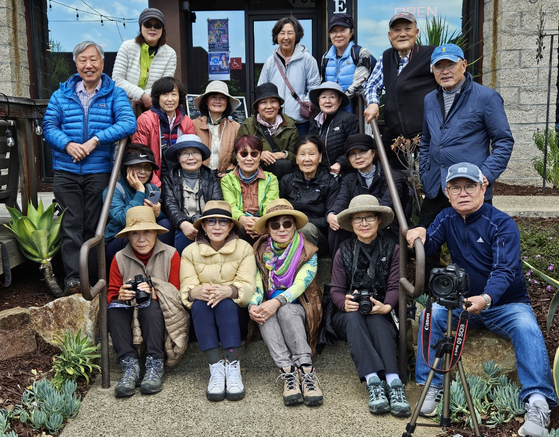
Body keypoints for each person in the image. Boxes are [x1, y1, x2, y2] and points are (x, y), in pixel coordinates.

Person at [406, 163, 557, 436]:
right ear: (447, 192)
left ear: (483, 188)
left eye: (470, 186)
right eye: (456, 187)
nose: (463, 193)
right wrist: (419, 233)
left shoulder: (502, 224)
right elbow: (428, 245)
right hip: (463, 303)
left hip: (506, 304)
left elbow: (504, 270)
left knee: (526, 327)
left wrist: (486, 299)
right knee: (432, 314)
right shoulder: (446, 217)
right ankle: (432, 387)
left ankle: (537, 404)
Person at [43, 41, 136, 296]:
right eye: (83, 60)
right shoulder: (61, 94)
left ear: (102, 63)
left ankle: (94, 278)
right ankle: (74, 280)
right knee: (70, 224)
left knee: (95, 224)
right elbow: (49, 127)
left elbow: (129, 123)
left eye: (93, 60)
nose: (89, 65)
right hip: (66, 170)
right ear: (76, 64)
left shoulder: (114, 93)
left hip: (98, 170)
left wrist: (95, 140)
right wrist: (69, 144)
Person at [330, 195, 410, 417]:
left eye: (369, 218)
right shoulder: (343, 250)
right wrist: (343, 302)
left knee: (375, 319)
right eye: (358, 219)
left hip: (380, 310)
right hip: (348, 314)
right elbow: (336, 290)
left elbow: (396, 286)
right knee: (355, 318)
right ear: (351, 224)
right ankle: (373, 381)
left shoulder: (392, 249)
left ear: (378, 220)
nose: (364, 223)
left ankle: (394, 384)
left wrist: (386, 305)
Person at [418, 43, 514, 228]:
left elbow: (503, 141)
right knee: (426, 245)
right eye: (439, 66)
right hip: (436, 188)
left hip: (470, 188)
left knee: (476, 248)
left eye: (450, 65)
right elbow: (426, 139)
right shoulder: (429, 99)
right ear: (432, 70)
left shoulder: (487, 97)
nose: (444, 71)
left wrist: (486, 174)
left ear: (463, 65)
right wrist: (424, 172)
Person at [248, 199, 323, 407]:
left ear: (294, 226)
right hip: (271, 304)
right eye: (275, 224)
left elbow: (301, 284)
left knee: (286, 311)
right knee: (264, 315)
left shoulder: (308, 251)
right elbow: (257, 283)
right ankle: (288, 373)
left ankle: (306, 371)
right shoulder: (260, 250)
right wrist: (253, 304)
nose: (281, 229)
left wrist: (278, 301)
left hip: (302, 306)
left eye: (287, 223)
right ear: (268, 229)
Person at [107, 206, 188, 398]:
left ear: (155, 233)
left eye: (146, 232)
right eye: (134, 233)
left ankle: (154, 363)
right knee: (114, 309)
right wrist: (121, 295)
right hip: (128, 311)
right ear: (128, 236)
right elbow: (111, 294)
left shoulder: (171, 254)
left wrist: (155, 292)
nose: (141, 238)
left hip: (159, 315)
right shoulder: (119, 258)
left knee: (149, 307)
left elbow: (177, 293)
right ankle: (129, 365)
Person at [180, 201, 256, 402]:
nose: (217, 227)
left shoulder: (244, 248)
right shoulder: (190, 252)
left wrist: (229, 290)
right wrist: (196, 292)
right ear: (203, 226)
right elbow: (186, 288)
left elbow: (248, 287)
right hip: (203, 314)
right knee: (200, 303)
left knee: (224, 302)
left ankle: (232, 366)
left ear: (231, 226)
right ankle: (215, 368)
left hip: (235, 313)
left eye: (223, 222)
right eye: (211, 222)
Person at [363, 12, 437, 168]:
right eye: (397, 30)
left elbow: (448, 80)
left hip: (426, 136)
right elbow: (371, 84)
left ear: (416, 33)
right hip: (396, 138)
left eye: (408, 29)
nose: (402, 34)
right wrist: (373, 103)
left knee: (425, 182)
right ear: (390, 35)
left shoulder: (430, 55)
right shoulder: (386, 57)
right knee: (373, 157)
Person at [327, 134, 408, 257]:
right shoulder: (349, 179)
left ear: (373, 153)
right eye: (352, 154)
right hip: (360, 224)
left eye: (362, 151)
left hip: (385, 224)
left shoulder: (393, 177)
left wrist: (364, 220)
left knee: (375, 223)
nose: (358, 157)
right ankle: (339, 271)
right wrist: (332, 214)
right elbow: (341, 200)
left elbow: (387, 206)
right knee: (336, 228)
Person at [103, 144, 173, 264]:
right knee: (132, 238)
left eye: (147, 167)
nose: (142, 172)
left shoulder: (152, 189)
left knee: (166, 224)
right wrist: (140, 192)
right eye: (137, 166)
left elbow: (156, 221)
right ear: (126, 168)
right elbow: (124, 219)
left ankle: (157, 269)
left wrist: (158, 213)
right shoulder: (114, 190)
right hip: (118, 240)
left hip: (145, 239)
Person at [257, 16, 321, 136]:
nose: (286, 37)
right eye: (282, 33)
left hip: (300, 122)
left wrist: (304, 104)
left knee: (299, 154)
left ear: (297, 36)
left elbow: (315, 88)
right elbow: (262, 89)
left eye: (290, 33)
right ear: (276, 36)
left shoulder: (307, 59)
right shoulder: (270, 61)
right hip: (275, 122)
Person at [161, 134, 222, 255]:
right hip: (181, 224)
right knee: (175, 231)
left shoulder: (211, 176)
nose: (191, 157)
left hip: (206, 222)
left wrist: (204, 224)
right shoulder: (169, 178)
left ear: (201, 156)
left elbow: (216, 203)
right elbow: (169, 204)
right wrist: (183, 224)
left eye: (195, 152)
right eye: (185, 153)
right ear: (178, 157)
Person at [280, 135, 339, 255]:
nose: (307, 159)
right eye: (302, 154)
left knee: (305, 229)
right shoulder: (287, 181)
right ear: (296, 158)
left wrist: (300, 223)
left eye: (312, 154)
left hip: (317, 236)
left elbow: (329, 218)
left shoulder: (330, 183)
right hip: (288, 231)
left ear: (320, 157)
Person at [133, 77, 195, 187]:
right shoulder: (145, 120)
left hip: (180, 182)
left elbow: (191, 154)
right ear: (157, 97)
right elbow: (140, 156)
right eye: (165, 94)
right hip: (151, 181)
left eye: (174, 94)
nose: (170, 99)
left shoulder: (187, 122)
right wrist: (158, 185)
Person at [112, 8, 176, 109]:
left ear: (162, 29)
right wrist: (142, 95)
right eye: (148, 24)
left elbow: (165, 85)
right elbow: (117, 79)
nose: (152, 28)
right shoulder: (126, 46)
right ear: (141, 26)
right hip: (124, 105)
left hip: (154, 106)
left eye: (157, 25)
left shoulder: (171, 54)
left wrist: (146, 98)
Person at [221, 135, 279, 244]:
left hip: (264, 222)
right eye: (243, 154)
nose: (249, 158)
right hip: (239, 223)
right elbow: (230, 206)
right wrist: (242, 219)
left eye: (254, 154)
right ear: (237, 157)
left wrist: (261, 223)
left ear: (260, 156)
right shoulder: (227, 180)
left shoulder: (271, 179)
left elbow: (271, 205)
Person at [237, 82, 298, 181]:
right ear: (257, 107)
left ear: (279, 105)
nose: (269, 106)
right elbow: (235, 155)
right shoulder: (248, 125)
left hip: (283, 179)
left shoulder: (290, 125)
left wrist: (284, 154)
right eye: (263, 102)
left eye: (273, 101)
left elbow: (298, 157)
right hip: (254, 179)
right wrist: (257, 154)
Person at [321, 13, 374, 112]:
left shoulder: (362, 53)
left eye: (342, 30)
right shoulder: (326, 57)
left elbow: (359, 85)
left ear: (351, 32)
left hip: (358, 114)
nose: (338, 35)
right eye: (334, 31)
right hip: (333, 114)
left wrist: (338, 100)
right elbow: (322, 84)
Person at [308, 82, 359, 176]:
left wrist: (340, 163)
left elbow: (354, 148)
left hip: (345, 173)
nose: (327, 101)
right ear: (318, 100)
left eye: (332, 97)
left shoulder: (349, 119)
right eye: (323, 97)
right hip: (321, 174)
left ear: (340, 100)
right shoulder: (314, 120)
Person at [193, 81, 241, 177]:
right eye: (213, 97)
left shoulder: (235, 127)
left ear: (227, 102)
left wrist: (230, 172)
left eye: (222, 98)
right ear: (206, 101)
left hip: (226, 178)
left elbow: (240, 154)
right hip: (199, 177)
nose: (218, 101)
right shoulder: (194, 124)